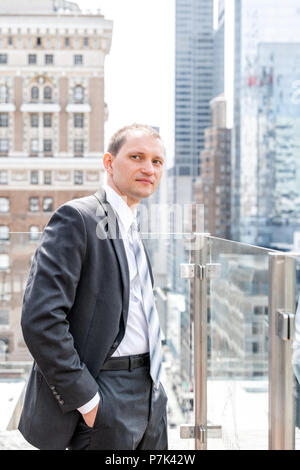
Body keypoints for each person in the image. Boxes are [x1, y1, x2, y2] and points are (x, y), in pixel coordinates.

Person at [18, 123, 168, 450]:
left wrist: (157, 386)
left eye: (157, 161)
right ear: (109, 162)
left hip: (150, 391)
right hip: (105, 392)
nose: (149, 168)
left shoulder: (129, 226)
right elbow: (40, 319)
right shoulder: (78, 218)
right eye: (137, 157)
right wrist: (88, 401)